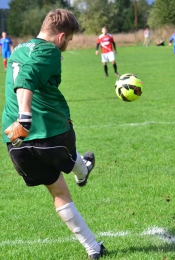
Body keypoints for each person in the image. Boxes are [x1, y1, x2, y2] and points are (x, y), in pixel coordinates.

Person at [1, 9, 105, 260]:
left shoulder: (18, 50)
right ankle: (82, 170)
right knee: (67, 152)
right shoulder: (50, 51)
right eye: (68, 39)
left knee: (59, 192)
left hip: (16, 143)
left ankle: (93, 248)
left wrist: (21, 124)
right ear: (60, 37)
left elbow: (24, 72)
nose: (67, 44)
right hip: (50, 133)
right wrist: (25, 116)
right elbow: (27, 77)